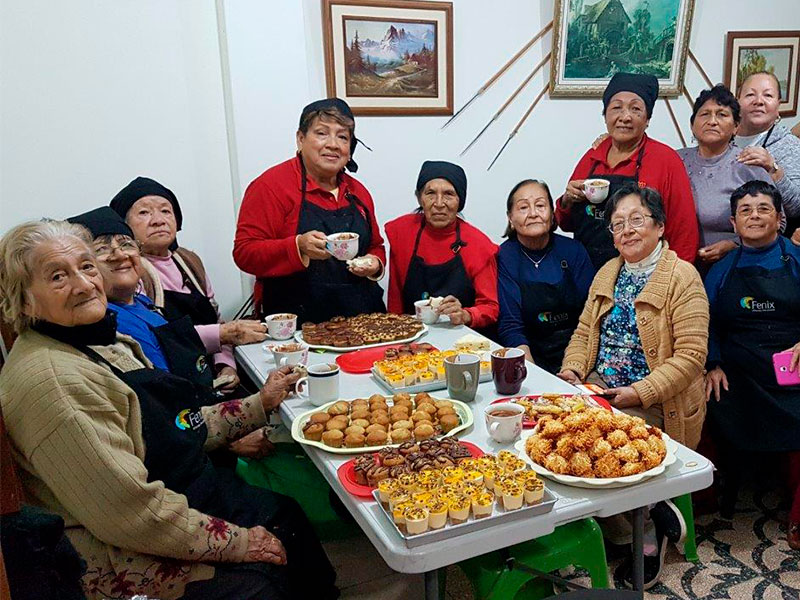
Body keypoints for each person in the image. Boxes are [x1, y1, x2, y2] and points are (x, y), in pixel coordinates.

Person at [0, 220, 338, 600]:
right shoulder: (56, 384)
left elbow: (174, 425)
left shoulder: (97, 341)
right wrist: (241, 543)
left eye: (87, 266)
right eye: (58, 277)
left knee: (284, 515)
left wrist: (259, 403)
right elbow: (129, 513)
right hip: (113, 552)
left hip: (169, 483)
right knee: (257, 580)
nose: (83, 284)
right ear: (23, 299)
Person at [558, 184, 709, 587]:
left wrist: (638, 392)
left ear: (659, 226)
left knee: (603, 443)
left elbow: (692, 358)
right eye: (617, 223)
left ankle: (644, 532)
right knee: (556, 434)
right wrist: (573, 370)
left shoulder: (683, 276)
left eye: (636, 220)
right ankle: (640, 516)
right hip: (600, 386)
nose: (626, 230)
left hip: (659, 398)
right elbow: (584, 331)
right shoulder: (609, 270)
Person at [68, 206, 270, 459]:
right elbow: (161, 416)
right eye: (101, 250)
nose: (118, 254)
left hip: (207, 408)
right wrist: (232, 436)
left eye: (126, 244)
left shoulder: (143, 301)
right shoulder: (107, 325)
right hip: (191, 446)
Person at [704, 180, 800, 548]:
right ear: (733, 222)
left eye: (763, 209)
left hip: (791, 366)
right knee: (710, 399)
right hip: (738, 369)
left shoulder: (796, 260)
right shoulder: (722, 270)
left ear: (780, 218)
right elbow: (706, 321)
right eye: (745, 210)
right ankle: (714, 492)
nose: (754, 216)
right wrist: (713, 363)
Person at [233, 98, 386, 323]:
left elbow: (375, 245)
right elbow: (244, 253)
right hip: (299, 325)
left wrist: (374, 264)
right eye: (322, 133)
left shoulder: (358, 192)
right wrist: (297, 246)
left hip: (363, 320)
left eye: (342, 137)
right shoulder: (271, 186)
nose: (333, 144)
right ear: (300, 139)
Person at [110, 177, 266, 394]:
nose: (158, 220)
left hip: (211, 375)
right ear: (123, 227)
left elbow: (216, 319)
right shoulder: (131, 272)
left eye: (166, 211)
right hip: (173, 384)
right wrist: (222, 333)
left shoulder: (189, 261)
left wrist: (226, 366)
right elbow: (156, 339)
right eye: (144, 213)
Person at [555, 72, 699, 268]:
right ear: (605, 115)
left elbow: (684, 231)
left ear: (647, 119)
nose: (625, 117)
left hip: (645, 275)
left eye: (636, 109)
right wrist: (567, 200)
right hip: (588, 273)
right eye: (616, 108)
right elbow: (565, 223)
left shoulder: (665, 159)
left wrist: (676, 279)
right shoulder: (591, 158)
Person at [384, 161, 499, 330]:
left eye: (448, 194)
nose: (439, 203)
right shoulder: (402, 233)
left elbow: (490, 307)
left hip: (464, 339)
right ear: (419, 197)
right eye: (430, 193)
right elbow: (395, 303)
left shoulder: (478, 244)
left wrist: (465, 314)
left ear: (460, 200)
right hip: (413, 336)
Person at [497, 179, 594, 372]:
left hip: (578, 352)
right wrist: (533, 374)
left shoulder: (573, 251)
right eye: (523, 207)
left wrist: (574, 366)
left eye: (540, 205)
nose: (533, 213)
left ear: (551, 213)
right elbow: (510, 324)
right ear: (510, 218)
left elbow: (592, 315)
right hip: (529, 354)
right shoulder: (505, 256)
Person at [677, 84, 772, 268]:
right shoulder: (675, 160)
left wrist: (733, 245)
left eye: (722, 114)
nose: (712, 121)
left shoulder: (748, 164)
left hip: (734, 266)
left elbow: (778, 221)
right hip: (679, 266)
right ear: (692, 124)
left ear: (736, 126)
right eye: (705, 114)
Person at [735, 71, 800, 236]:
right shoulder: (722, 137)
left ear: (778, 105)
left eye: (768, 95)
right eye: (750, 94)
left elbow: (796, 208)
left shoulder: (789, 145)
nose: (758, 101)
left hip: (763, 243)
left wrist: (773, 169)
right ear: (738, 101)